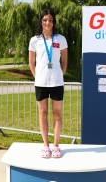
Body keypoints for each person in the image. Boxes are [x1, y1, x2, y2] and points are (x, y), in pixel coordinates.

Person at [28, 9, 68, 158]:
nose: (48, 22)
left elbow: (64, 62)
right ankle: (46, 145)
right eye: (45, 20)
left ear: (54, 22)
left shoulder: (61, 39)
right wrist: (37, 77)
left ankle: (56, 145)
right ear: (41, 22)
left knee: (57, 114)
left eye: (50, 20)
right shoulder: (35, 40)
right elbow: (31, 63)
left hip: (57, 82)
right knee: (43, 113)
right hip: (41, 83)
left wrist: (59, 74)